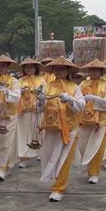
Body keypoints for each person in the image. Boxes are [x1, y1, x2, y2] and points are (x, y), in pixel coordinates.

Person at [38, 56, 85, 202]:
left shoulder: (74, 87)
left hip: (68, 129)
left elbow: (81, 107)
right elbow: (40, 109)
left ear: (67, 70)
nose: (58, 71)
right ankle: (55, 182)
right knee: (49, 157)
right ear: (52, 70)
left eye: (62, 68)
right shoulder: (47, 86)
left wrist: (70, 100)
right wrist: (39, 100)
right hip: (51, 128)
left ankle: (59, 188)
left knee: (64, 160)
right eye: (56, 68)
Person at [77, 59, 106, 184]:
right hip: (84, 120)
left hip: (101, 122)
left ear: (101, 71)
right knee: (83, 147)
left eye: (97, 69)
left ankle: (94, 173)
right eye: (92, 69)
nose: (94, 72)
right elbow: (77, 99)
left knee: (97, 148)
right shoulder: (82, 84)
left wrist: (94, 99)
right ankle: (88, 166)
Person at [0, 54, 21, 181]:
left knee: (6, 141)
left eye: (3, 66)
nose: (1, 68)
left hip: (9, 116)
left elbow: (17, 97)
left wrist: (7, 92)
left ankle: (3, 167)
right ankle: (0, 166)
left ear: (8, 67)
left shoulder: (13, 81)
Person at [16, 58, 45, 168]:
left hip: (36, 111)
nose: (29, 69)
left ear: (35, 68)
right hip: (23, 112)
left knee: (38, 134)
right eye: (27, 67)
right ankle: (23, 158)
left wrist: (39, 96)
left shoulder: (41, 80)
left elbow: (44, 93)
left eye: (31, 67)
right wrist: (19, 91)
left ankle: (41, 154)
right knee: (23, 135)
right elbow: (14, 93)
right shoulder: (20, 81)